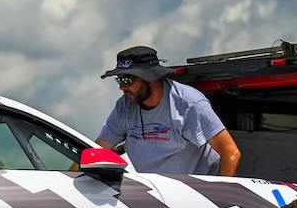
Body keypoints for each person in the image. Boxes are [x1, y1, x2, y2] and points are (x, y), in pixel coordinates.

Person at [98, 44, 240, 177]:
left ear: (150, 78)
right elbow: (97, 151)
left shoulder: (189, 103)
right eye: (119, 79)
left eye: (127, 80)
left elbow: (231, 153)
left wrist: (218, 200)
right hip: (156, 195)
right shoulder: (124, 106)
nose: (122, 87)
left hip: (196, 196)